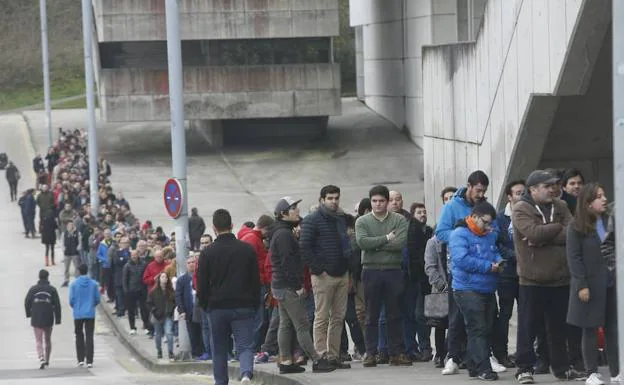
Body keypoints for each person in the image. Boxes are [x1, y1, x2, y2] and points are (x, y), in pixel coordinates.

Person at [513, 170, 582, 383]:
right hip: (532, 279)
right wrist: (555, 229)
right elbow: (533, 233)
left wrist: (545, 234)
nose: (553, 189)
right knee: (528, 326)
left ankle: (561, 368)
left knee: (558, 327)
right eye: (547, 186)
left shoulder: (560, 206)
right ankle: (524, 368)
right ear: (533, 189)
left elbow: (573, 232)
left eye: (554, 185)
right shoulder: (521, 209)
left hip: (560, 278)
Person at [269, 197, 335, 374]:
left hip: (280, 285)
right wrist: (297, 285)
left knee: (285, 324)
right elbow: (287, 262)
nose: (297, 210)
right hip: (287, 286)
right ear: (284, 214)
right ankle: (317, 360)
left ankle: (286, 361)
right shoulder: (283, 234)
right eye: (293, 208)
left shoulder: (282, 231)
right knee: (302, 325)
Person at [197, 209, 261, 385]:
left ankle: (221, 382)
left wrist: (205, 304)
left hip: (217, 308)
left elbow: (201, 284)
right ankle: (246, 374)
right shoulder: (246, 250)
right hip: (244, 306)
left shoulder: (207, 253)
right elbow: (256, 280)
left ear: (214, 228)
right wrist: (255, 303)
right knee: (245, 346)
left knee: (219, 349)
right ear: (232, 226)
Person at [566, 183, 619, 385]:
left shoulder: (609, 221)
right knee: (589, 328)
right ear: (588, 203)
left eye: (604, 195)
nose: (604, 199)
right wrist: (581, 285)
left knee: (613, 329)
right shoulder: (576, 226)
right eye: (599, 196)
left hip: (611, 283)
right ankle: (591, 372)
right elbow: (574, 257)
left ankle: (616, 372)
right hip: (589, 284)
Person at [355, 185, 412, 367]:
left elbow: (400, 243)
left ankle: (396, 353)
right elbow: (363, 243)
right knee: (371, 314)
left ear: (387, 202)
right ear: (370, 202)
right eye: (374, 201)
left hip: (393, 270)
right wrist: (387, 238)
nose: (378, 204)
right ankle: (371, 353)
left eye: (381, 201)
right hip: (371, 271)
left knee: (394, 313)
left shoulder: (399, 220)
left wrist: (376, 245)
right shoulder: (362, 221)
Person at [449, 201, 503, 381]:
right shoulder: (459, 234)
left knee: (484, 328)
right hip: (467, 288)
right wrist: (488, 266)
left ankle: (473, 364)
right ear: (473, 217)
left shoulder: (488, 234)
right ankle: (483, 368)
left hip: (487, 287)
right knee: (477, 328)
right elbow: (461, 260)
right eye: (485, 222)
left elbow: (493, 251)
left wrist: (499, 261)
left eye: (490, 223)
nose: (488, 226)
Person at [300, 185, 351, 369]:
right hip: (323, 276)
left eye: (336, 197)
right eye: (330, 198)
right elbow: (305, 247)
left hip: (341, 273)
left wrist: (347, 269)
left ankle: (333, 356)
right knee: (321, 317)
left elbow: (347, 244)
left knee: (338, 317)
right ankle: (320, 356)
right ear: (322, 199)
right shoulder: (312, 220)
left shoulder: (341, 219)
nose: (334, 201)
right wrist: (318, 268)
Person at [24, 269, 61, 369]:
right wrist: (58, 319)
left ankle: (41, 357)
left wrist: (29, 314)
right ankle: (47, 360)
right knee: (48, 339)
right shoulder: (52, 289)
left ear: (39, 277)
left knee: (38, 340)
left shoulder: (33, 289)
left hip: (36, 317)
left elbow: (27, 301)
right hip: (48, 317)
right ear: (47, 277)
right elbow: (57, 305)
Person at [69, 264, 101, 368]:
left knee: (79, 335)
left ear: (78, 271)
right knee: (89, 336)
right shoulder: (93, 284)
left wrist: (76, 307)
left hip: (78, 313)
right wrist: (91, 305)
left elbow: (71, 300)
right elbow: (97, 299)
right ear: (87, 271)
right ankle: (90, 360)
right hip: (90, 313)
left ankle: (80, 359)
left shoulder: (74, 284)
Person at [176, 255, 203, 358]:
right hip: (189, 310)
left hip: (201, 309)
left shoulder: (202, 276)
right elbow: (178, 296)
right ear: (186, 265)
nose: (191, 264)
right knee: (193, 333)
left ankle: (204, 351)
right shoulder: (182, 280)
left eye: (193, 262)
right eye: (189, 263)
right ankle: (196, 353)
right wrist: (181, 310)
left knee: (203, 332)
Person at [147, 272, 176, 361]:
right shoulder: (153, 291)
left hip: (167, 315)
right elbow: (149, 303)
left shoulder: (170, 291)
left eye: (166, 277)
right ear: (159, 279)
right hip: (157, 316)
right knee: (158, 335)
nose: (164, 279)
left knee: (169, 333)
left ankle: (170, 351)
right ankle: (159, 350)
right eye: (162, 277)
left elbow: (174, 301)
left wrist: (171, 310)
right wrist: (154, 311)